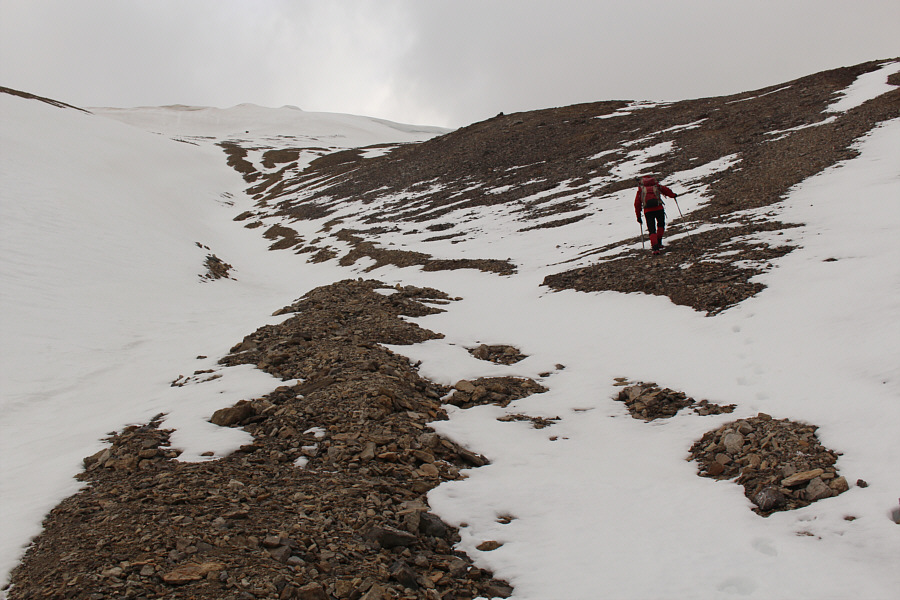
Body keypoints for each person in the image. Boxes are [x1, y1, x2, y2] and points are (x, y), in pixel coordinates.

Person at [635, 175, 677, 255]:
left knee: (652, 229)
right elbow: (666, 190)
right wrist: (673, 195)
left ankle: (655, 248)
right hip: (659, 208)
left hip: (648, 211)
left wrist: (638, 217)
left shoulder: (641, 190)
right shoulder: (656, 186)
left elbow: (637, 203)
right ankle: (659, 242)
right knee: (661, 225)